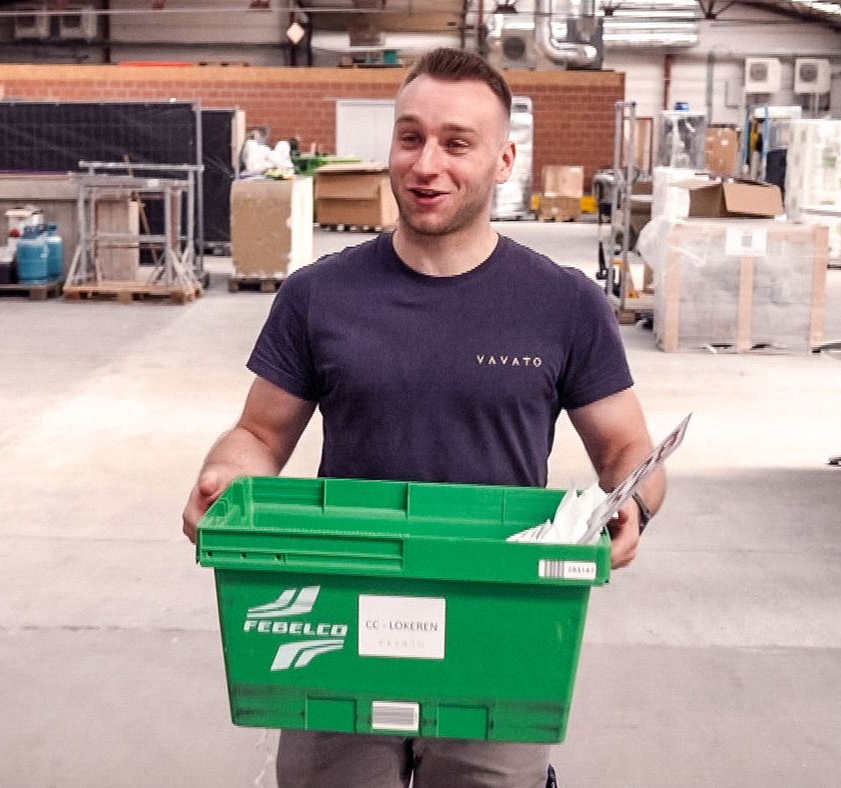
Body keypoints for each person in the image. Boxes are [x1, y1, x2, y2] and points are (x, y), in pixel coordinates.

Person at [180, 48, 668, 788]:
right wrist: (222, 476)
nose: (425, 164)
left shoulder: (563, 303)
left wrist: (632, 503)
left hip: (497, 616)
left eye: (456, 143)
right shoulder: (319, 295)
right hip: (341, 606)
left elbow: (627, 445)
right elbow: (260, 434)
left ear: (503, 161)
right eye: (410, 138)